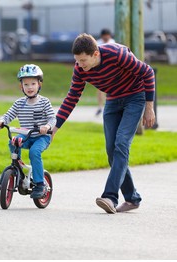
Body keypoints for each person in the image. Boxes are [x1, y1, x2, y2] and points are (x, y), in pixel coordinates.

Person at [52, 34, 155, 214]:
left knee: (121, 144)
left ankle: (110, 196)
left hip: (135, 97)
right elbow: (71, 98)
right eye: (77, 61)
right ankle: (132, 198)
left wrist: (149, 107)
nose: (80, 65)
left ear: (95, 54)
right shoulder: (79, 69)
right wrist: (55, 128)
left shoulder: (117, 54)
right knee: (111, 150)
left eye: (83, 60)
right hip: (113, 100)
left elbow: (147, 72)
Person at [0, 64, 56, 199]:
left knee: (35, 152)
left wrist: (47, 126)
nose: (30, 87)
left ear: (39, 85)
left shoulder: (44, 102)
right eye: (26, 84)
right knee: (13, 141)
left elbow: (52, 118)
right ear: (21, 86)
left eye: (33, 83)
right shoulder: (19, 103)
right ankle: (17, 167)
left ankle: (40, 184)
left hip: (42, 137)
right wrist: (1, 121)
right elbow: (8, 115)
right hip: (27, 135)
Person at [95, 28, 116, 116]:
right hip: (100, 69)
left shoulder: (113, 42)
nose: (106, 37)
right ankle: (100, 107)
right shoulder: (97, 43)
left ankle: (111, 106)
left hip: (111, 69)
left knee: (112, 89)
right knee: (100, 89)